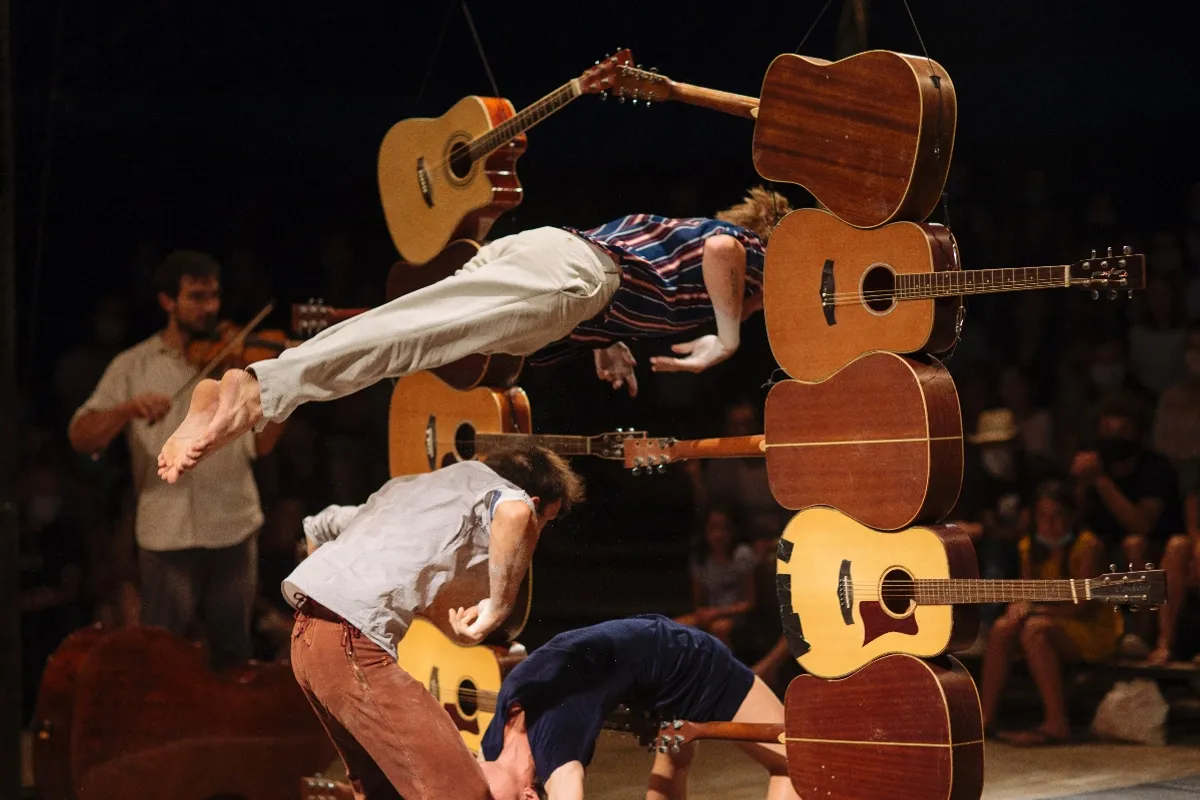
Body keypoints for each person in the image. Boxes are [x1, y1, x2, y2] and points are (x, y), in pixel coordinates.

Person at [156, 187, 792, 483]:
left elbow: (629, 263)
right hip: (568, 280)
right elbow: (724, 252)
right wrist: (728, 340)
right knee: (408, 335)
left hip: (559, 266)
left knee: (410, 340)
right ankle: (258, 388)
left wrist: (607, 338)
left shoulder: (676, 247)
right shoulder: (753, 248)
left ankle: (258, 390)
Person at [286, 443, 584, 800]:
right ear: (535, 501)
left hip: (306, 642)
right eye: (546, 520)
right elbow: (515, 514)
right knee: (463, 791)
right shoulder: (504, 496)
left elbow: (319, 525)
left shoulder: (415, 488)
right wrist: (498, 607)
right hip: (349, 645)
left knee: (387, 792)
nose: (539, 531)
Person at [67, 250, 285, 668]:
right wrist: (128, 408)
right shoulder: (133, 365)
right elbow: (81, 434)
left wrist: (280, 390)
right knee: (163, 656)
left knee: (234, 656)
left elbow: (263, 447)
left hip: (233, 524)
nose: (210, 307)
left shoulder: (235, 361)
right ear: (167, 301)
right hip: (165, 533)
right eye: (197, 297)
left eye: (214, 296)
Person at [478, 614, 798, 800]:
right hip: (668, 674)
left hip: (675, 657)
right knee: (797, 764)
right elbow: (566, 784)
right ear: (529, 796)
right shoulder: (557, 752)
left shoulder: (490, 749)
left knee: (794, 765)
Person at [979, 480, 1121, 746]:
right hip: (1046, 620)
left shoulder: (1087, 546)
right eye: (1043, 516)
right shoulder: (1028, 546)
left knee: (1035, 630)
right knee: (1002, 627)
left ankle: (1057, 722)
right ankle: (985, 717)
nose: (1049, 524)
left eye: (1057, 516)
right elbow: (1025, 592)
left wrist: (1033, 611)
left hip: (1090, 627)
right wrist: (1017, 608)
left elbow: (1080, 606)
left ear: (1071, 517)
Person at [1071, 396, 1190, 664]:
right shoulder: (1093, 466)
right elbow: (1074, 522)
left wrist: (1101, 481)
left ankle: (1144, 636)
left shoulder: (1155, 468)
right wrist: (1080, 484)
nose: (1113, 440)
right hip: (1107, 554)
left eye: (1121, 432)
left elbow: (1141, 524)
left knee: (1134, 545)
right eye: (1107, 432)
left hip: (1155, 551)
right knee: (1088, 545)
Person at [674, 507, 758, 649]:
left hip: (735, 615)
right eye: (713, 528)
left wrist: (716, 612)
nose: (718, 534)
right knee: (673, 627)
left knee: (719, 629)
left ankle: (728, 663)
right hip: (710, 614)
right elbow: (699, 601)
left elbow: (749, 603)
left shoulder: (742, 555)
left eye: (724, 528)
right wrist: (704, 613)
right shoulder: (700, 558)